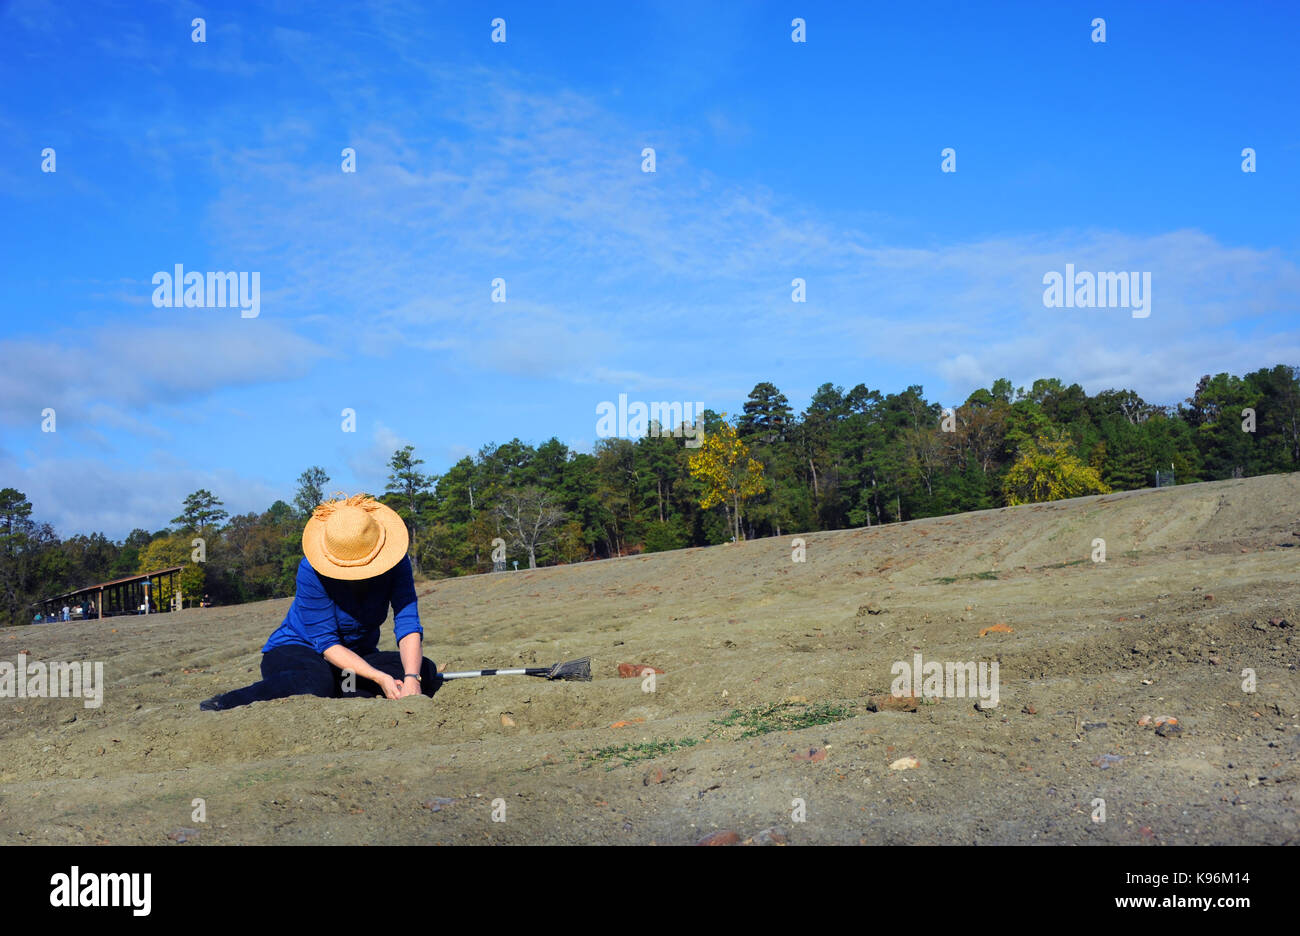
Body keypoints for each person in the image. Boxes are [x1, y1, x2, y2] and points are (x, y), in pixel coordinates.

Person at [200, 493, 438, 711]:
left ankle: (345, 684)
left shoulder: (397, 564)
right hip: (298, 649)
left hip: (354, 657)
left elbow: (407, 624)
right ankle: (227, 701)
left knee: (424, 669)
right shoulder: (311, 571)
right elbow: (326, 642)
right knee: (316, 682)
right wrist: (379, 677)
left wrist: (411, 679)